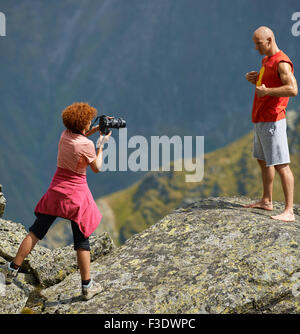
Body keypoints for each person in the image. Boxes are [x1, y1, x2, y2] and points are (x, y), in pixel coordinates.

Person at [4, 102, 112, 301]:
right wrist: (101, 144)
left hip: (56, 191)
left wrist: (94, 130)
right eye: (89, 121)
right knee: (82, 240)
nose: (90, 122)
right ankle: (87, 286)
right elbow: (97, 167)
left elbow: (77, 140)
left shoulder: (64, 136)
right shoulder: (87, 145)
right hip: (77, 196)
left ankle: (12, 268)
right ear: (82, 124)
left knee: (36, 231)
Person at [244, 26, 298, 222]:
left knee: (281, 165)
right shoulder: (266, 60)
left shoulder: (282, 62)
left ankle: (289, 211)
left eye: (258, 44)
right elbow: (269, 84)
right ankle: (267, 200)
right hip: (260, 118)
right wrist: (255, 80)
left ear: (269, 40)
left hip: (273, 120)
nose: (256, 48)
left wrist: (267, 92)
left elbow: (293, 90)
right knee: (263, 159)